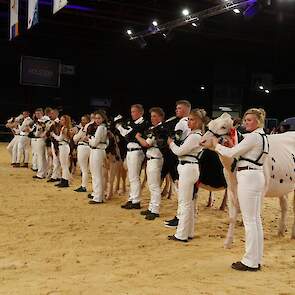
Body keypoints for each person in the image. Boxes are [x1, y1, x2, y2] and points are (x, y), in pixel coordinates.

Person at [201, 108, 268, 271]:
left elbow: (231, 153)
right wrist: (231, 146)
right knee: (255, 220)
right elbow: (240, 153)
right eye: (245, 120)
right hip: (256, 175)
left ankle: (250, 261)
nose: (246, 123)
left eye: (249, 120)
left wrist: (216, 145)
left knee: (250, 221)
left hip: (248, 177)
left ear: (258, 121)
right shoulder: (263, 136)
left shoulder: (253, 137)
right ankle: (256, 258)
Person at [166, 108, 205, 242]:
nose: (189, 122)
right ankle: (189, 232)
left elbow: (180, 151)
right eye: (188, 119)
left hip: (188, 167)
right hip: (189, 167)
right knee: (189, 202)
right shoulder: (194, 135)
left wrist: (171, 144)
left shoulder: (195, 136)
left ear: (199, 121)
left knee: (185, 202)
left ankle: (181, 234)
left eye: (192, 119)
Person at [164, 100, 192, 228]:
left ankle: (180, 218)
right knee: (182, 192)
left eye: (179, 108)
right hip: (186, 158)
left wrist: (169, 141)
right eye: (176, 108)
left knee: (181, 192)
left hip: (179, 158)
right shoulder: (188, 123)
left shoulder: (182, 123)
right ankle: (180, 216)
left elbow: (176, 140)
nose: (177, 110)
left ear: (187, 110)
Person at [116, 104, 148, 209]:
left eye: (134, 111)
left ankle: (136, 201)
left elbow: (128, 135)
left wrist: (120, 127)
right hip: (129, 151)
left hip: (137, 151)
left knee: (134, 177)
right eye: (131, 111)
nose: (132, 114)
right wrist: (123, 129)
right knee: (131, 176)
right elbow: (126, 135)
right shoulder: (132, 123)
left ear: (141, 112)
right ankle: (132, 198)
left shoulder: (143, 123)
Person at [135, 107, 165, 220]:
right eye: (151, 116)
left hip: (155, 159)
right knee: (152, 185)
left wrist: (138, 137)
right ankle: (151, 208)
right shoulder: (155, 128)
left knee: (154, 186)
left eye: (155, 116)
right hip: (151, 158)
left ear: (161, 117)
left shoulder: (159, 129)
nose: (152, 118)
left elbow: (146, 143)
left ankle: (155, 210)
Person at [88, 110, 108, 204]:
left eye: (99, 118)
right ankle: (98, 194)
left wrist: (89, 138)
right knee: (96, 174)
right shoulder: (102, 127)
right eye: (95, 118)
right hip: (97, 150)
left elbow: (95, 142)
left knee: (96, 174)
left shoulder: (100, 128)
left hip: (97, 150)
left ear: (103, 118)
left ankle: (98, 197)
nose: (97, 120)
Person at [51, 115, 72, 187]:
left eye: (62, 120)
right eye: (60, 119)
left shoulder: (65, 128)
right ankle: (64, 180)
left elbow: (60, 138)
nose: (60, 121)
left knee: (64, 165)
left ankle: (65, 181)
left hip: (63, 146)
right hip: (63, 146)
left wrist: (53, 135)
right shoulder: (65, 128)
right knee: (64, 165)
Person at [73, 114, 91, 192]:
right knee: (88, 169)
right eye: (82, 120)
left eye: (84, 120)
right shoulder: (91, 127)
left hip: (83, 147)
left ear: (88, 120)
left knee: (84, 169)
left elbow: (75, 138)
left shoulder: (84, 128)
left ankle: (83, 186)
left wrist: (78, 136)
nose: (82, 121)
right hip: (89, 147)